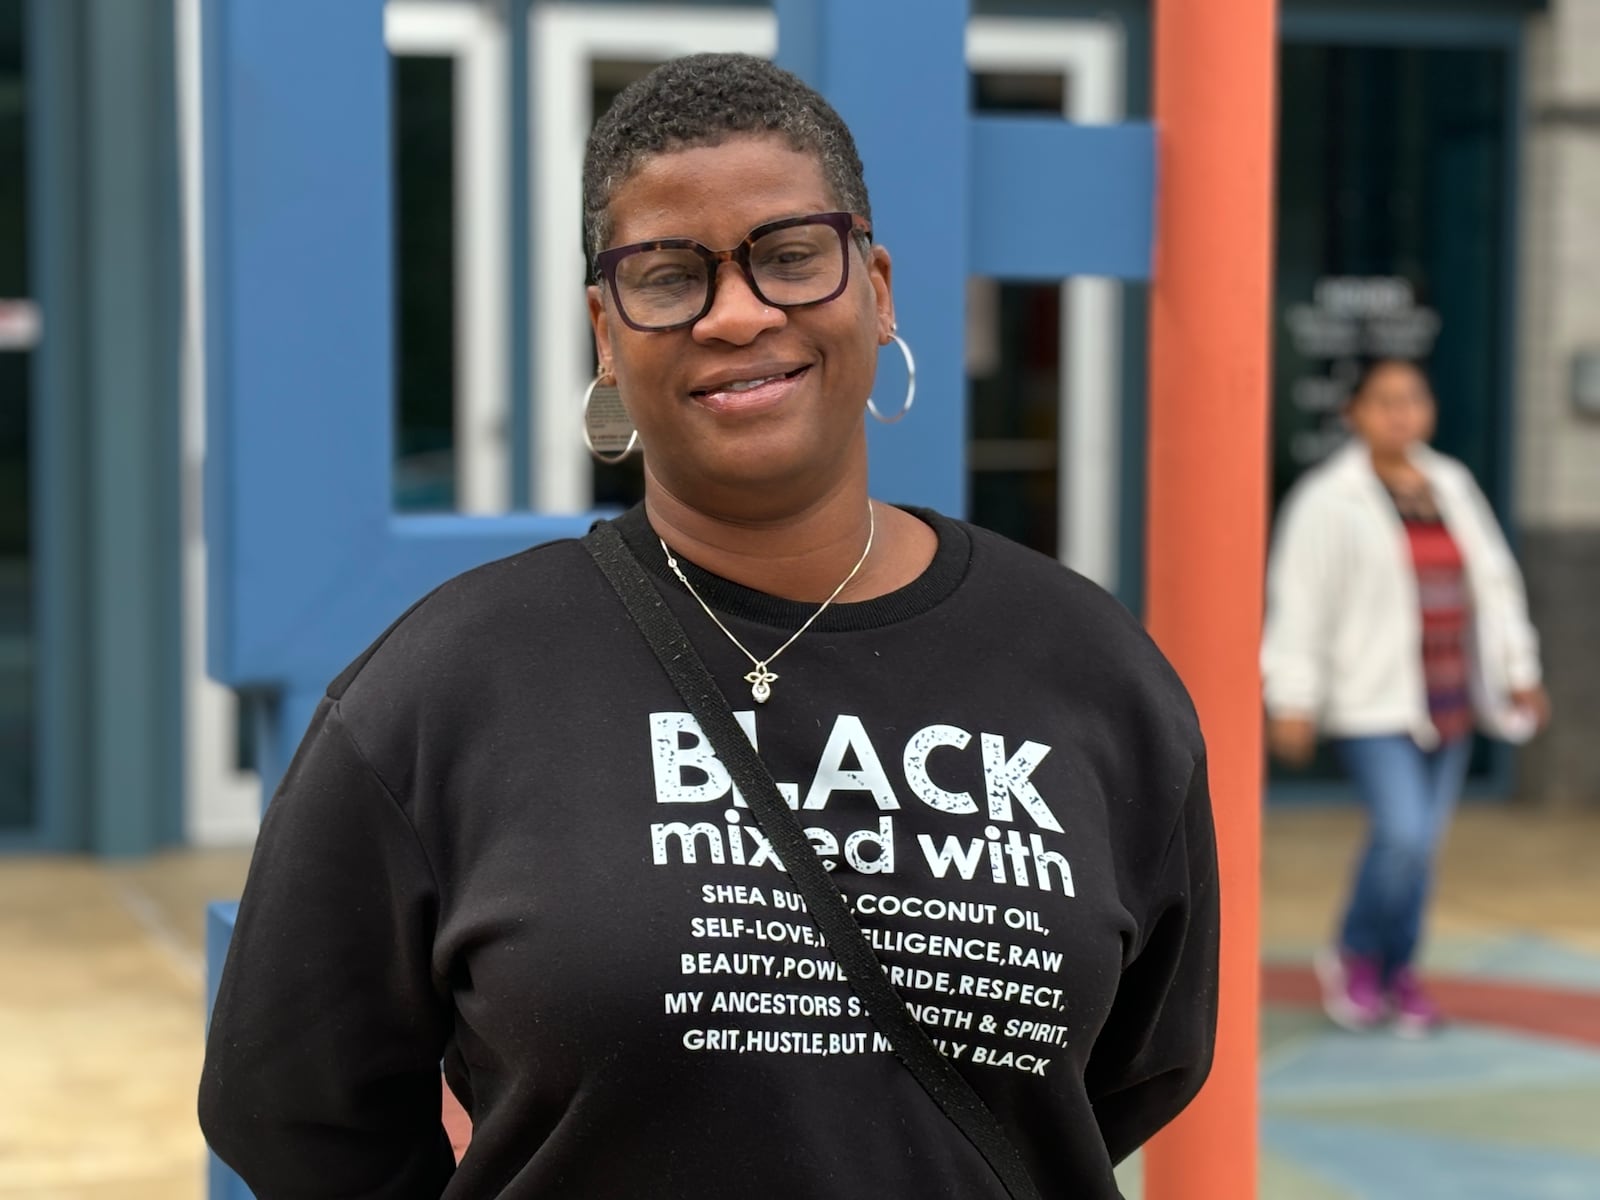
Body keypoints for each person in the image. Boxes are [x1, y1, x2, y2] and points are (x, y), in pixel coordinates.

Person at [199, 53, 1217, 1198]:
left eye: (790, 258)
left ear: (876, 288)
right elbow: (288, 1094)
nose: (738, 315)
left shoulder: (1090, 674)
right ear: (604, 328)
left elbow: (1136, 1067)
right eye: (669, 275)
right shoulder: (445, 689)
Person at [1262, 357, 1548, 1037]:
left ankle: (1401, 972)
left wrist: (1520, 670)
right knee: (1402, 833)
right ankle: (1358, 953)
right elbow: (1298, 605)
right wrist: (1292, 698)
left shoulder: (1451, 483)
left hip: (1448, 697)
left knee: (1424, 847)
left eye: (1413, 398)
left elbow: (1497, 586)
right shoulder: (1327, 498)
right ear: (1352, 413)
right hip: (1374, 701)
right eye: (1383, 401)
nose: (1401, 413)